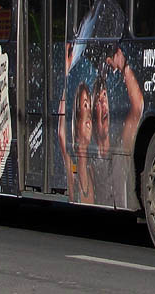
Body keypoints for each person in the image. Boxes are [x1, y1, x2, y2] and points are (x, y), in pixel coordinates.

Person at [91, 47, 144, 208]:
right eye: (98, 101)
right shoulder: (89, 161)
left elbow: (137, 107)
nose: (103, 104)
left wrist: (124, 68)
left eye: (105, 97)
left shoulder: (121, 147)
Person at [57, 45, 96, 204]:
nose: (88, 121)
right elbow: (61, 131)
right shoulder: (70, 161)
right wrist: (65, 77)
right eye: (82, 114)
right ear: (74, 125)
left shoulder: (95, 166)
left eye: (89, 110)